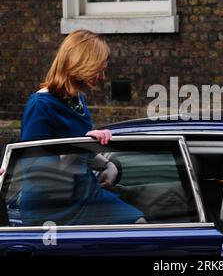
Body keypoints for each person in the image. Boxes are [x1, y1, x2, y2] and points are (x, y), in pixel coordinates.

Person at [19, 29, 145, 226]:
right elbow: (40, 175)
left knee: (140, 225)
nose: (103, 78)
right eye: (99, 70)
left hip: (86, 194)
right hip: (50, 206)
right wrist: (81, 144)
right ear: (81, 64)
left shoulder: (77, 99)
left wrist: (108, 165)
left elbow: (80, 151)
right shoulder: (40, 106)